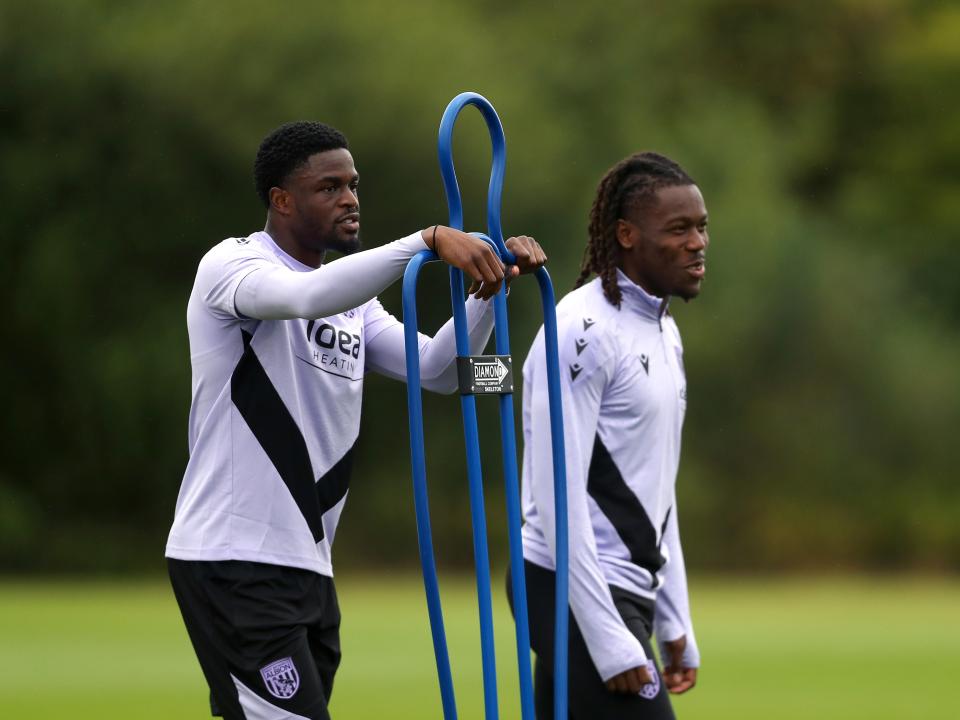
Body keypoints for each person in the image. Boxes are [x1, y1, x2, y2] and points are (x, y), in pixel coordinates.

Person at [165, 120, 545, 720]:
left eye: (353, 185)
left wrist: (489, 292)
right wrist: (427, 240)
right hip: (234, 558)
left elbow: (440, 373)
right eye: (329, 187)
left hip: (308, 567)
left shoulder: (355, 303)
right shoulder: (231, 265)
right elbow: (303, 299)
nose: (349, 199)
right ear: (281, 200)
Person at [514, 152, 706, 718]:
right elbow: (556, 491)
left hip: (628, 591)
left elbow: (658, 491)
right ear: (625, 234)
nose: (698, 242)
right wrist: (606, 635)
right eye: (679, 229)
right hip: (565, 587)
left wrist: (673, 616)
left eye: (701, 227)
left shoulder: (664, 330)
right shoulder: (582, 327)